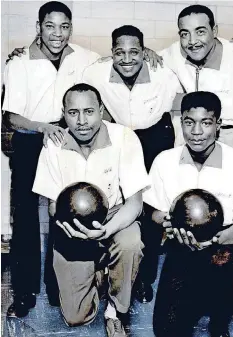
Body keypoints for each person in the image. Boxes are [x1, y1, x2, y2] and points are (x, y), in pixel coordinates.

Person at [156, 4, 233, 320]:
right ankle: (203, 283)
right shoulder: (171, 55)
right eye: (185, 33)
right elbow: (134, 57)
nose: (192, 40)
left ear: (215, 30)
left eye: (200, 31)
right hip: (201, 136)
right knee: (202, 213)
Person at [2, 1, 101, 317]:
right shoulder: (18, 63)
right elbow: (11, 118)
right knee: (26, 222)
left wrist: (151, 55)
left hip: (68, 140)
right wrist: (42, 127)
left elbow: (123, 59)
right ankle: (24, 292)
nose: (58, 34)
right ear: (38, 27)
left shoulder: (85, 58)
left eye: (64, 26)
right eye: (50, 26)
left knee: (68, 214)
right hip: (31, 140)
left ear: (71, 28)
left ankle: (61, 287)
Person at [32, 83, 149, 337]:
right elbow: (53, 205)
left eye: (89, 111)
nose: (82, 121)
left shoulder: (125, 137)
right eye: (73, 113)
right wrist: (67, 224)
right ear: (64, 114)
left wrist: (106, 230)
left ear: (102, 110)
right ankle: (101, 274)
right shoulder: (53, 144)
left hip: (115, 217)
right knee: (77, 318)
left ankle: (116, 310)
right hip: (71, 224)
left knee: (130, 242)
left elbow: (135, 203)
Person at [144, 91, 233, 337]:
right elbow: (152, 210)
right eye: (189, 122)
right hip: (182, 243)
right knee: (166, 329)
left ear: (218, 125)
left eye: (206, 122)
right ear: (181, 123)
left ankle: (220, 321)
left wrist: (213, 242)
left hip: (225, 243)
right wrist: (166, 222)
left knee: (219, 276)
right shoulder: (164, 161)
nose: (196, 131)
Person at [82, 25, 185, 303]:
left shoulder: (164, 71)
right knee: (116, 204)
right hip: (119, 137)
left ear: (144, 51)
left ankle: (144, 279)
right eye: (120, 52)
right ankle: (108, 272)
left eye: (135, 52)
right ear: (111, 53)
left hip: (156, 137)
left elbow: (196, 72)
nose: (127, 59)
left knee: (151, 212)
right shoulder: (95, 72)